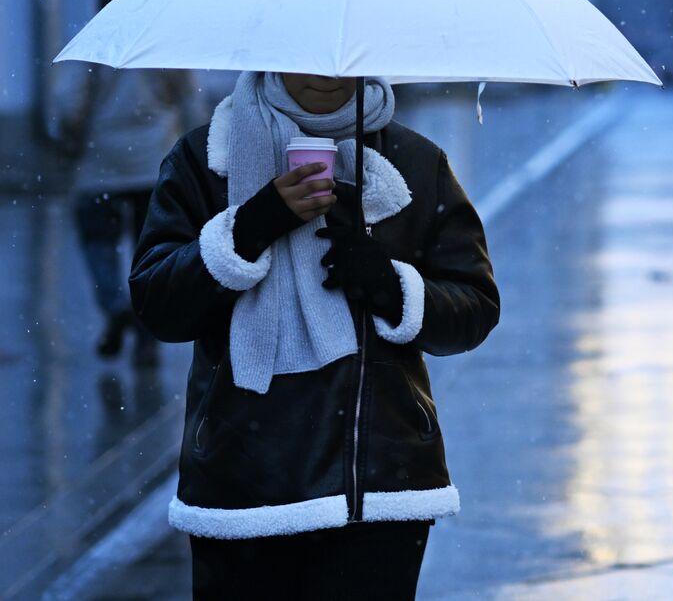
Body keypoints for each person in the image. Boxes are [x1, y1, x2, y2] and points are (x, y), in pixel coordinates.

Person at [129, 71, 500, 600]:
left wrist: (389, 285)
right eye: (305, 57)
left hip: (377, 488)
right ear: (273, 55)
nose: (326, 75)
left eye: (341, 60)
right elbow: (158, 306)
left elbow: (474, 309)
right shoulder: (204, 161)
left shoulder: (413, 162)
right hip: (241, 486)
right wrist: (252, 225)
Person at [59, 0, 202, 364]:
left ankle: (114, 305)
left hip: (101, 165)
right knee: (149, 248)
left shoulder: (94, 44)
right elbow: (188, 99)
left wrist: (71, 139)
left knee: (97, 241)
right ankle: (146, 326)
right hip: (154, 164)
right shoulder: (163, 44)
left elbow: (71, 106)